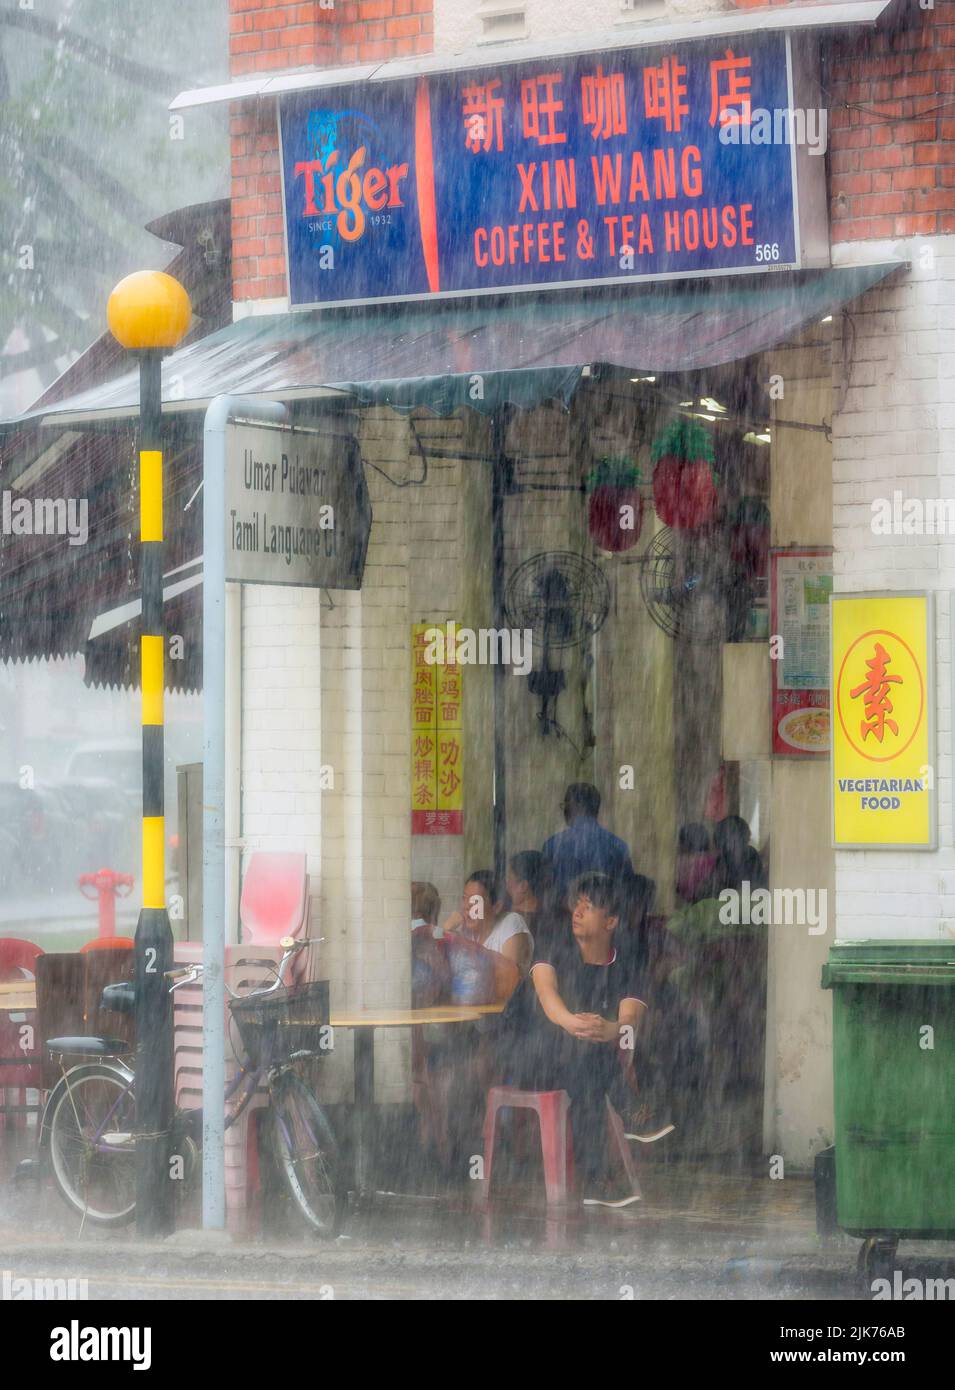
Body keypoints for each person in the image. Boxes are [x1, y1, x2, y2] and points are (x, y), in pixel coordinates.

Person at [497, 871, 650, 1206]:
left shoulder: (626, 958)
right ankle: (631, 1112)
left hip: (576, 1060)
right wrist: (573, 1024)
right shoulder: (555, 944)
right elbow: (547, 994)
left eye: (589, 907)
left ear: (610, 921)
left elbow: (630, 1018)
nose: (577, 912)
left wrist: (609, 1029)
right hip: (525, 1054)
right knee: (584, 1056)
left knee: (586, 1070)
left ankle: (596, 1179)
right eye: (577, 905)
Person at [541, 783, 634, 908]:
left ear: (575, 806)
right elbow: (627, 892)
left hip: (563, 919)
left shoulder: (552, 845)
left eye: (565, 805)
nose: (564, 810)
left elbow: (545, 891)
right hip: (603, 919)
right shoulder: (618, 845)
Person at [442, 870, 533, 994]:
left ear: (497, 907)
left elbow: (509, 979)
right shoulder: (464, 931)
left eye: (475, 901)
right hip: (472, 1006)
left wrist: (459, 941)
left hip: (507, 1009)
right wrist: (446, 930)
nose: (466, 907)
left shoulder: (511, 923)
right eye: (464, 898)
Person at [504, 850, 553, 942]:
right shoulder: (550, 914)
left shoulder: (521, 923)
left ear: (523, 886)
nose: (506, 882)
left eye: (509, 878)